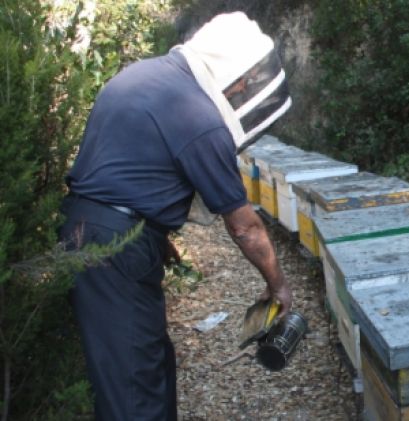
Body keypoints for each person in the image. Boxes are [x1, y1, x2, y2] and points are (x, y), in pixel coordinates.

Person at [58, 12, 293, 420]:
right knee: (133, 389)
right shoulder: (198, 116)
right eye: (244, 79)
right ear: (231, 71)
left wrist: (154, 236)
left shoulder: (145, 76)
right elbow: (244, 226)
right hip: (112, 247)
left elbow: (125, 170)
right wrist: (278, 285)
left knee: (145, 361)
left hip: (95, 231)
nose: (242, 88)